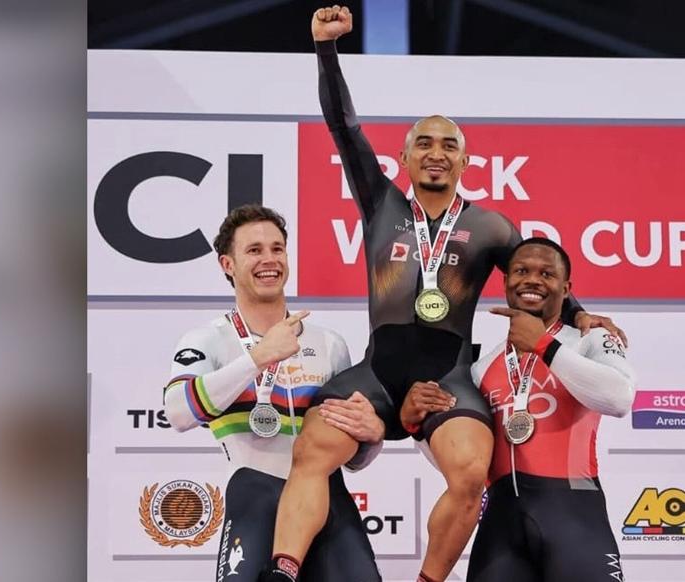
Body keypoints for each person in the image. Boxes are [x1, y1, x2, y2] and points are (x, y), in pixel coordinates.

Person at [265, 7, 629, 582]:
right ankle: (282, 571)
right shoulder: (381, 203)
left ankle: (428, 580)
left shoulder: (490, 225)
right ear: (405, 157)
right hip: (377, 374)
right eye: (424, 143)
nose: (436, 152)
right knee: (311, 451)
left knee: (469, 473)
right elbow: (343, 125)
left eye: (449, 145)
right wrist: (325, 49)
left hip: (450, 374)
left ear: (464, 159)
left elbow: (538, 277)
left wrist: (583, 317)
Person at [163, 204, 384, 582]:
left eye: (277, 249)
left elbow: (353, 461)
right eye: (254, 250)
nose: (269, 259)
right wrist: (258, 357)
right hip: (254, 495)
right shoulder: (208, 340)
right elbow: (179, 412)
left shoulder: (329, 343)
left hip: (328, 503)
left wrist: (373, 437)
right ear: (227, 265)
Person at [463, 237, 635, 581]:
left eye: (547, 273)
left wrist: (544, 345)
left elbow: (619, 399)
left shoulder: (591, 337)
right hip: (500, 520)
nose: (532, 280)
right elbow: (465, 455)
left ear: (566, 287)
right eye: (521, 271)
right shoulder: (483, 366)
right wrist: (418, 428)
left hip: (573, 513)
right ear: (506, 282)